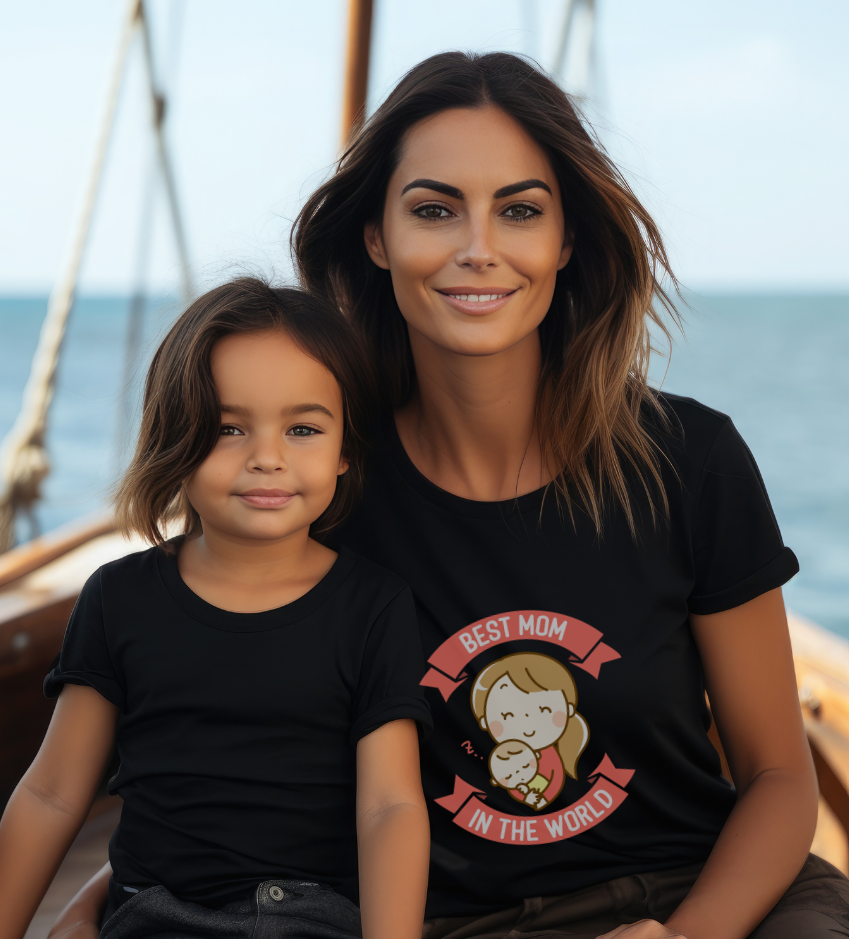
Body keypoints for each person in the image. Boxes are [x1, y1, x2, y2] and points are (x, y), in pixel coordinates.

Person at [51, 53, 849, 939]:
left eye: (519, 210)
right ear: (376, 236)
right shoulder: (319, 490)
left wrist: (686, 936)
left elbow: (780, 777)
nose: (479, 247)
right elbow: (214, 757)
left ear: (566, 239)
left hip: (706, 900)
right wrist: (112, 901)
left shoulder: (687, 460)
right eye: (434, 210)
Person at [0, 279, 432, 939]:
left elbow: (389, 805)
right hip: (151, 914)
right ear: (175, 440)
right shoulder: (118, 598)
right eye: (227, 428)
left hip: (307, 919)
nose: (266, 457)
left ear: (344, 451)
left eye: (302, 428)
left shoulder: (372, 606)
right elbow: (52, 790)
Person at [474, 652, 588, 811]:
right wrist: (527, 796)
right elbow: (511, 783)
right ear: (485, 721)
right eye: (507, 715)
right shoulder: (502, 757)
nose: (528, 725)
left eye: (545, 710)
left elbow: (555, 781)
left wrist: (541, 799)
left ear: (568, 710)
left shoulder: (551, 756)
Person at [487, 740, 550, 810]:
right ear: (495, 781)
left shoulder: (541, 782)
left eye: (525, 766)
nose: (519, 776)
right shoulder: (504, 797)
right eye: (508, 776)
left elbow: (547, 806)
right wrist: (528, 800)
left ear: (536, 756)